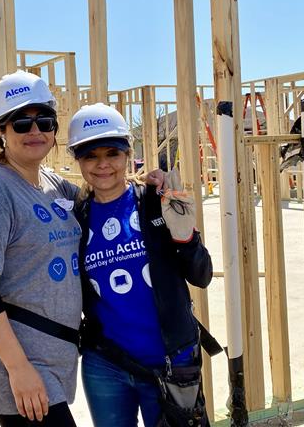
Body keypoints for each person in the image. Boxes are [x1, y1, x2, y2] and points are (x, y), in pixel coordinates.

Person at [69, 103, 213, 427]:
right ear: (77, 160)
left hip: (172, 362)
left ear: (128, 154)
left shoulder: (155, 202)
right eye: (90, 155)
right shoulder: (75, 220)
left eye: (113, 153)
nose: (103, 164)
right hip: (107, 365)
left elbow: (201, 276)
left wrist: (186, 238)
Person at [0, 71, 82, 427]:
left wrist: (147, 185)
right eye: (21, 124)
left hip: (51, 357)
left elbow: (101, 200)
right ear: (1, 131)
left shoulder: (54, 184)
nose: (35, 131)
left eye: (44, 120)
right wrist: (19, 368)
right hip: (15, 363)